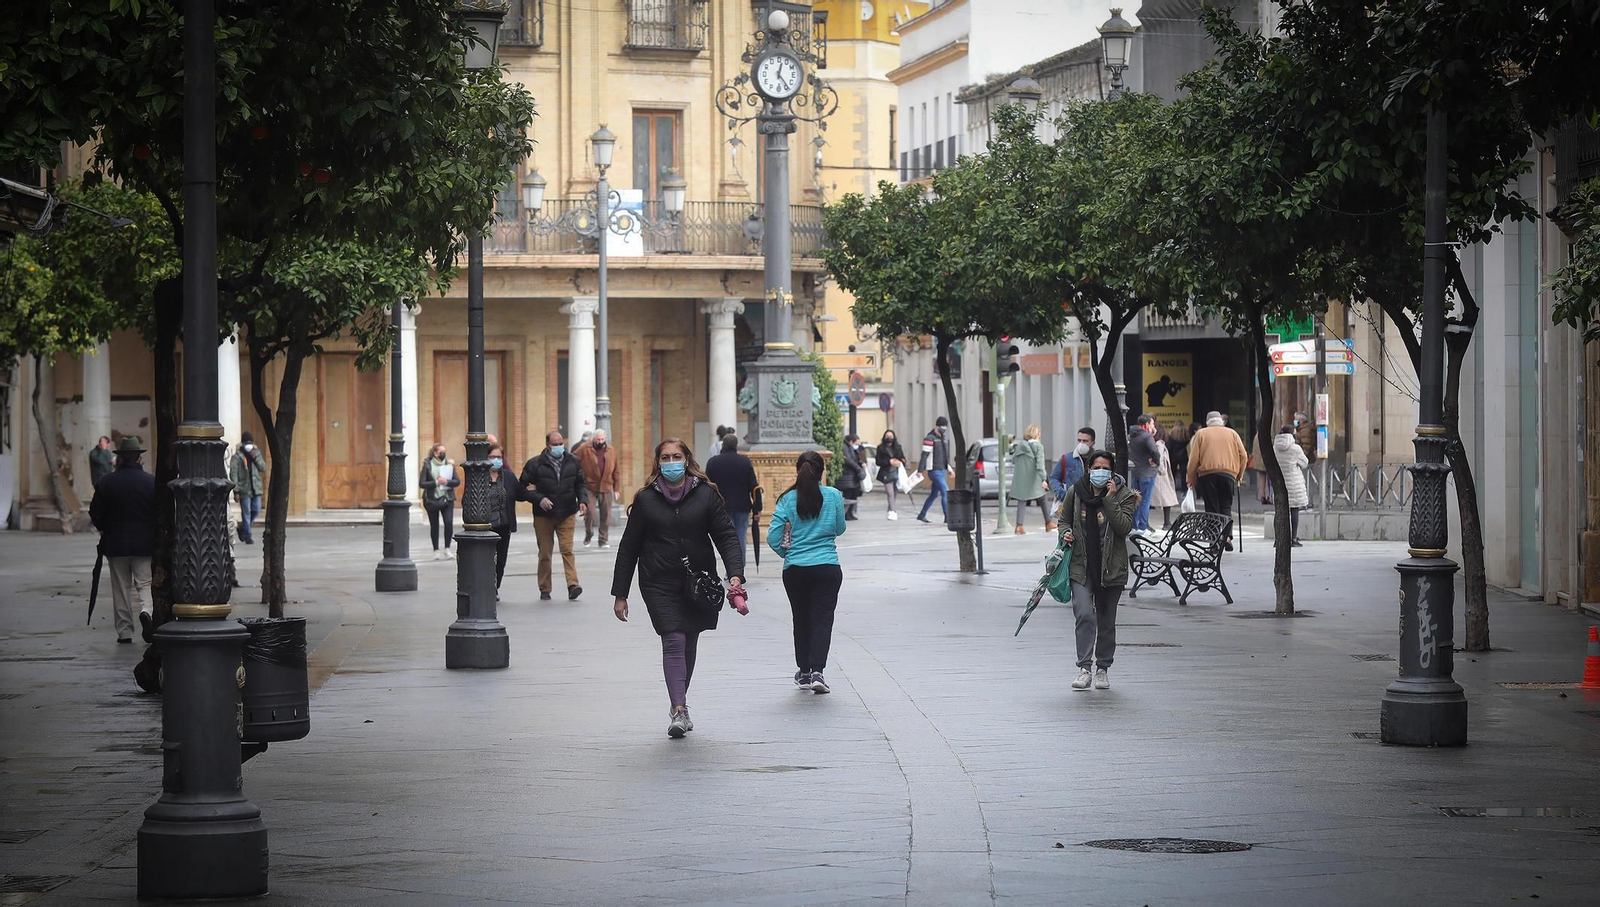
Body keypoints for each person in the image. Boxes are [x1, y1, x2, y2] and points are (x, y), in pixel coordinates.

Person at [612, 438, 745, 737]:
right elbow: (628, 547)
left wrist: (735, 573)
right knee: (673, 639)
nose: (671, 462)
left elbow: (725, 535)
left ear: (686, 460)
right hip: (658, 581)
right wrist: (620, 593)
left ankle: (679, 700)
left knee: (690, 641)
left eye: (676, 456)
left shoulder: (705, 495)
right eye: (665, 457)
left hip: (698, 582)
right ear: (658, 462)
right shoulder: (646, 499)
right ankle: (679, 708)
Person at [1058, 449, 1140, 691]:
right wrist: (1065, 533)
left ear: (1112, 471)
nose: (1101, 472)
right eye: (1097, 468)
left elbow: (1124, 527)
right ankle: (1084, 668)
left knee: (1106, 620)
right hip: (1081, 565)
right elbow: (1063, 520)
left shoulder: (1124, 495)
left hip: (1111, 568)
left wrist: (1110, 499)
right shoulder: (1076, 492)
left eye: (1106, 468)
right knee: (1083, 613)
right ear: (1089, 469)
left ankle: (1103, 668)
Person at [769, 450, 847, 693]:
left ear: (798, 470)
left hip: (796, 571)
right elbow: (839, 528)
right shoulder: (833, 496)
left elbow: (773, 537)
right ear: (822, 472)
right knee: (823, 619)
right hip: (827, 567)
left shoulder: (786, 499)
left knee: (801, 619)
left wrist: (789, 554)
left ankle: (803, 672)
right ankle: (817, 672)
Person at [88, 437, 155, 644]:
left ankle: (125, 632)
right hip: (144, 543)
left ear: (118, 458)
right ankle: (147, 611)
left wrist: (104, 528)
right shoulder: (151, 482)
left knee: (121, 588)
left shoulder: (106, 482)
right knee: (145, 583)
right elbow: (160, 513)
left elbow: (95, 512)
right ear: (139, 458)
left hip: (116, 543)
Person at [520, 430, 586, 601]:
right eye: (555, 444)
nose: (558, 447)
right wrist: (539, 498)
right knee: (545, 553)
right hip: (544, 515)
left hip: (567, 512)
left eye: (560, 444)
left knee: (567, 550)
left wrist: (583, 501)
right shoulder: (535, 464)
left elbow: (580, 483)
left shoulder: (573, 461)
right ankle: (545, 588)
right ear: (548, 445)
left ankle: (573, 584)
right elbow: (522, 489)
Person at [1187, 411, 1248, 549]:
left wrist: (1191, 478)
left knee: (1211, 508)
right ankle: (1227, 537)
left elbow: (1193, 459)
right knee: (1226, 506)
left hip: (1207, 475)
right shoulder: (1232, 433)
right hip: (1229, 474)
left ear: (1208, 421)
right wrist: (1239, 475)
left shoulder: (1201, 434)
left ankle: (1213, 540)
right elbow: (1243, 455)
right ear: (1220, 420)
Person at [705, 434, 759, 565]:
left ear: (722, 445)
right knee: (740, 537)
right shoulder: (745, 461)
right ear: (736, 446)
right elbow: (754, 487)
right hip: (742, 506)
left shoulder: (713, 462)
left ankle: (731, 568)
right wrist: (758, 508)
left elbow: (707, 487)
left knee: (727, 539)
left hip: (721, 507)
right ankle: (740, 567)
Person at [486, 443, 521, 597]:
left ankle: (495, 587)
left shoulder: (508, 476)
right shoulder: (480, 476)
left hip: (503, 525)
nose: (496, 460)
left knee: (500, 560)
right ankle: (486, 587)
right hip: (485, 526)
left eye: (499, 457)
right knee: (486, 559)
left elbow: (520, 493)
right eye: (492, 457)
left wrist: (537, 495)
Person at [576, 429, 620, 548]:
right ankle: (589, 534)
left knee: (606, 515)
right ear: (593, 439)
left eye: (602, 439)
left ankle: (603, 539)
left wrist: (617, 489)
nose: (600, 442)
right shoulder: (585, 448)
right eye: (598, 439)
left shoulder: (611, 450)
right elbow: (574, 459)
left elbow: (616, 470)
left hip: (606, 485)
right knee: (590, 512)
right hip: (590, 485)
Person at [1009, 424, 1054, 534]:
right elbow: (1040, 465)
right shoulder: (1038, 447)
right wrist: (1044, 478)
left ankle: (1019, 526)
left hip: (1021, 480)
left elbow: (1013, 460)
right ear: (1037, 434)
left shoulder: (1019, 446)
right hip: (1035, 478)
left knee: (1022, 500)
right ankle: (1048, 523)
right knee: (1043, 498)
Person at [419, 443, 461, 559]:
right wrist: (436, 482)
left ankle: (447, 548)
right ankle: (436, 550)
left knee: (448, 522)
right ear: (435, 453)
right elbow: (422, 483)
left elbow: (457, 481)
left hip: (447, 498)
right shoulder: (428, 465)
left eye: (444, 451)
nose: (444, 454)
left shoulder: (449, 464)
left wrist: (447, 482)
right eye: (441, 451)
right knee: (434, 524)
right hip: (432, 499)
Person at [1274, 425, 1310, 547]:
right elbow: (1304, 463)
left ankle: (1278, 539)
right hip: (1293, 482)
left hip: (1279, 482)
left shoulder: (1275, 448)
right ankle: (1293, 538)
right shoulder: (1295, 449)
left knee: (1280, 511)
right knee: (1294, 510)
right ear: (1292, 434)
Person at [229, 432, 267, 545]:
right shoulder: (237, 456)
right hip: (244, 489)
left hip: (256, 488)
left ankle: (242, 527)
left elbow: (263, 467)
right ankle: (248, 536)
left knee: (256, 509)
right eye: (247, 443)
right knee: (246, 513)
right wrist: (236, 490)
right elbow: (233, 474)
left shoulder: (256, 453)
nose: (249, 445)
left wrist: (255, 457)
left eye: (250, 442)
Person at [916, 416, 953, 523]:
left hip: (942, 470)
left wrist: (950, 469)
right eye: (942, 426)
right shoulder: (929, 439)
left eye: (946, 426)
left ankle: (922, 514)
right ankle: (947, 517)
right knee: (945, 492)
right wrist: (920, 470)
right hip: (934, 470)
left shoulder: (943, 439)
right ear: (937, 426)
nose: (944, 428)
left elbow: (944, 457)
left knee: (934, 494)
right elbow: (924, 455)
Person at [1128, 415, 1161, 536]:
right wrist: (1156, 461)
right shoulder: (1147, 437)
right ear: (1147, 424)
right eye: (1152, 423)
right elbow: (1154, 451)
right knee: (1145, 500)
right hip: (1147, 472)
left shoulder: (1131, 436)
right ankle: (1143, 526)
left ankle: (1135, 526)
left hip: (1135, 471)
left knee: (1136, 499)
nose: (1153, 426)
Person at [1049, 427, 1096, 501]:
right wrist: (1062, 494)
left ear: (1092, 443)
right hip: (1072, 502)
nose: (1081, 444)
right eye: (1079, 440)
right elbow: (1053, 478)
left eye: (1085, 441)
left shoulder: (1097, 459)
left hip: (1092, 501)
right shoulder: (1067, 458)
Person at [1150, 424, 1180, 530]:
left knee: (1156, 499)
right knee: (1166, 499)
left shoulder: (1155, 444)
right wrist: (1162, 471)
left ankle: (1166, 523)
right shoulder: (1160, 445)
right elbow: (1160, 459)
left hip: (1157, 474)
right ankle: (1167, 523)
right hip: (1161, 475)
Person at [874, 430, 907, 520]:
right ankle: (893, 511)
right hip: (886, 473)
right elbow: (878, 461)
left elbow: (903, 458)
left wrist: (900, 462)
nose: (889, 438)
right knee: (890, 493)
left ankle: (889, 511)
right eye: (887, 436)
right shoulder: (880, 448)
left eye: (891, 436)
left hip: (897, 473)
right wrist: (889, 462)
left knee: (895, 493)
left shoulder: (898, 447)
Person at [837, 433, 867, 521]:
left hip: (852, 476)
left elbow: (857, 458)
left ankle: (850, 513)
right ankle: (846, 514)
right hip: (847, 476)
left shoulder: (851, 448)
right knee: (848, 495)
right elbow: (849, 460)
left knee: (853, 494)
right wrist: (858, 468)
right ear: (851, 441)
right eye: (856, 444)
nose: (857, 446)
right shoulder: (845, 447)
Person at [1167, 421, 1192, 495]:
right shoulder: (1185, 433)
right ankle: (1184, 490)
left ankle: (1172, 489)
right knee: (1183, 473)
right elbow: (1187, 441)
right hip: (1183, 455)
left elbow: (1169, 445)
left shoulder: (1171, 433)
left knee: (1173, 473)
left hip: (1173, 456)